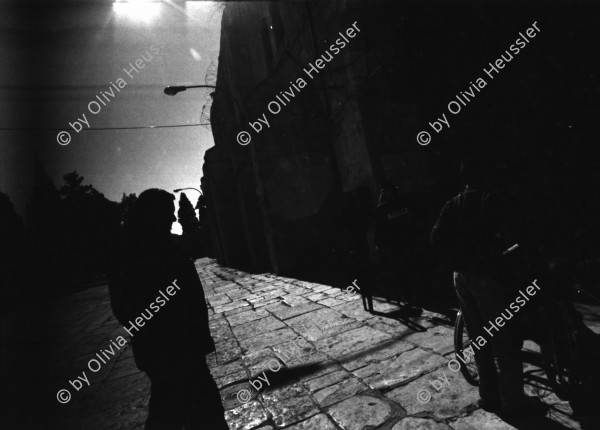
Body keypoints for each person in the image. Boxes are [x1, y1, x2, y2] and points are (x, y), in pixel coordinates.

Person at [430, 157, 544, 419]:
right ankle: (514, 404)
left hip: (461, 277)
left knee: (479, 339)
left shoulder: (453, 204)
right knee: (504, 342)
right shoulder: (488, 200)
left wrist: (457, 257)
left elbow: (436, 237)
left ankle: (488, 396)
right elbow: (513, 233)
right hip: (486, 277)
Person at [108, 189, 229, 430]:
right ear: (152, 215)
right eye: (168, 214)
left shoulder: (156, 244)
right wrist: (165, 339)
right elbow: (126, 306)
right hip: (173, 353)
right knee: (195, 411)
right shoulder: (135, 252)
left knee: (175, 411)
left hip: (178, 351)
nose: (173, 219)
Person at [375, 180, 422, 316]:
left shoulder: (387, 208)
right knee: (405, 273)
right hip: (399, 247)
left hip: (404, 245)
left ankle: (411, 297)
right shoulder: (385, 209)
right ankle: (409, 297)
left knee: (407, 273)